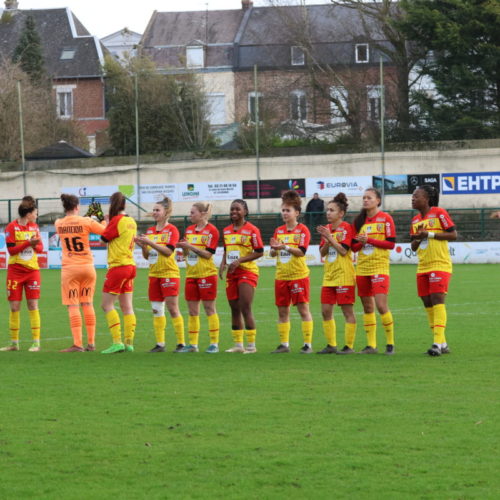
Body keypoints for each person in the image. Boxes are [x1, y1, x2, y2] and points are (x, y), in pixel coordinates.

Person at [55, 195, 107, 352]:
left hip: (70, 269)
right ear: (77, 206)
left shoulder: (58, 223)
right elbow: (105, 231)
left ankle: (78, 344)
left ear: (65, 207)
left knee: (73, 305)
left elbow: (73, 224)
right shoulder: (86, 222)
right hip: (87, 267)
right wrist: (102, 219)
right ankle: (91, 343)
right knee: (87, 303)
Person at [411, 185, 457, 356]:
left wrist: (428, 234)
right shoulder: (415, 220)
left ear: (427, 199)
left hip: (440, 263)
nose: (413, 198)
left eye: (416, 196)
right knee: (427, 302)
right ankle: (443, 343)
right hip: (423, 265)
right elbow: (413, 246)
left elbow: (453, 235)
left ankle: (436, 343)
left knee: (437, 299)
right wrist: (417, 239)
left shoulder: (439, 213)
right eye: (413, 196)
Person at [135, 197, 185, 353]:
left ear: (166, 212)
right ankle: (160, 344)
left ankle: (181, 343)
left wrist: (149, 243)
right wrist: (143, 246)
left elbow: (168, 251)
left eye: (158, 210)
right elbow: (148, 256)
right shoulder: (150, 231)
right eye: (154, 210)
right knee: (156, 309)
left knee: (172, 308)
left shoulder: (172, 230)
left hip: (169, 273)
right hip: (154, 274)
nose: (154, 213)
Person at [352, 187, 396, 355]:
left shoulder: (386, 219)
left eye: (369, 198)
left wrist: (369, 239)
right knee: (367, 307)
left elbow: (391, 244)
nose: (365, 200)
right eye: (364, 198)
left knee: (381, 305)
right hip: (362, 268)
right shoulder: (359, 222)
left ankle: (390, 343)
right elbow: (354, 248)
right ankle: (371, 345)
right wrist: (362, 242)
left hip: (379, 267)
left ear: (378, 200)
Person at [269, 190, 314, 353]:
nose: (285, 213)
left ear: (297, 213)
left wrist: (285, 247)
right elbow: (273, 254)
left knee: (303, 310)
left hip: (298, 276)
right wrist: (274, 249)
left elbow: (301, 252)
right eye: (283, 210)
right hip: (281, 276)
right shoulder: (279, 230)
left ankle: (307, 344)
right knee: (282, 310)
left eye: (288, 210)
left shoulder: (303, 230)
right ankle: (284, 344)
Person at [219, 199, 264, 354]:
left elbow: (259, 251)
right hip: (232, 273)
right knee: (234, 308)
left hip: (247, 271)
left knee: (245, 306)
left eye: (237, 209)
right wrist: (222, 264)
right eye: (232, 209)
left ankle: (251, 346)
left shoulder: (252, 229)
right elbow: (226, 249)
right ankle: (238, 344)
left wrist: (240, 261)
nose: (234, 212)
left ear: (245, 211)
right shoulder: (226, 230)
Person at [1, 196, 43, 352]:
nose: (37, 215)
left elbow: (40, 249)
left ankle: (36, 343)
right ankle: (14, 344)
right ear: (28, 213)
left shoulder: (34, 227)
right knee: (14, 307)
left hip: (32, 271)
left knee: (33, 305)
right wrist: (28, 243)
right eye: (35, 212)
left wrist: (35, 244)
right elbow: (11, 250)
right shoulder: (11, 227)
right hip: (15, 271)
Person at [316, 192, 357, 355]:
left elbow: (342, 250)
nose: (328, 213)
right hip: (329, 276)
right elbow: (322, 253)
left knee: (347, 312)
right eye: (327, 210)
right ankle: (331, 345)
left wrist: (330, 238)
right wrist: (326, 239)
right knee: (325, 310)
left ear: (341, 213)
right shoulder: (326, 229)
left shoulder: (346, 227)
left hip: (344, 275)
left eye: (332, 210)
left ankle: (349, 346)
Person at [177, 202, 220, 353]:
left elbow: (208, 254)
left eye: (192, 212)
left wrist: (190, 247)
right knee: (192, 311)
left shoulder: (212, 231)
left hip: (207, 275)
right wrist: (183, 251)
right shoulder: (189, 230)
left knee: (209, 309)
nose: (190, 215)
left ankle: (214, 344)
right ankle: (193, 345)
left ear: (202, 214)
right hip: (191, 275)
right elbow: (188, 253)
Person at [100, 192, 137, 354]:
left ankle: (117, 343)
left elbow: (103, 240)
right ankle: (129, 343)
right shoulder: (131, 221)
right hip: (130, 266)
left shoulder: (116, 221)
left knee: (106, 305)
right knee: (127, 306)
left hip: (118, 266)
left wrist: (107, 222)